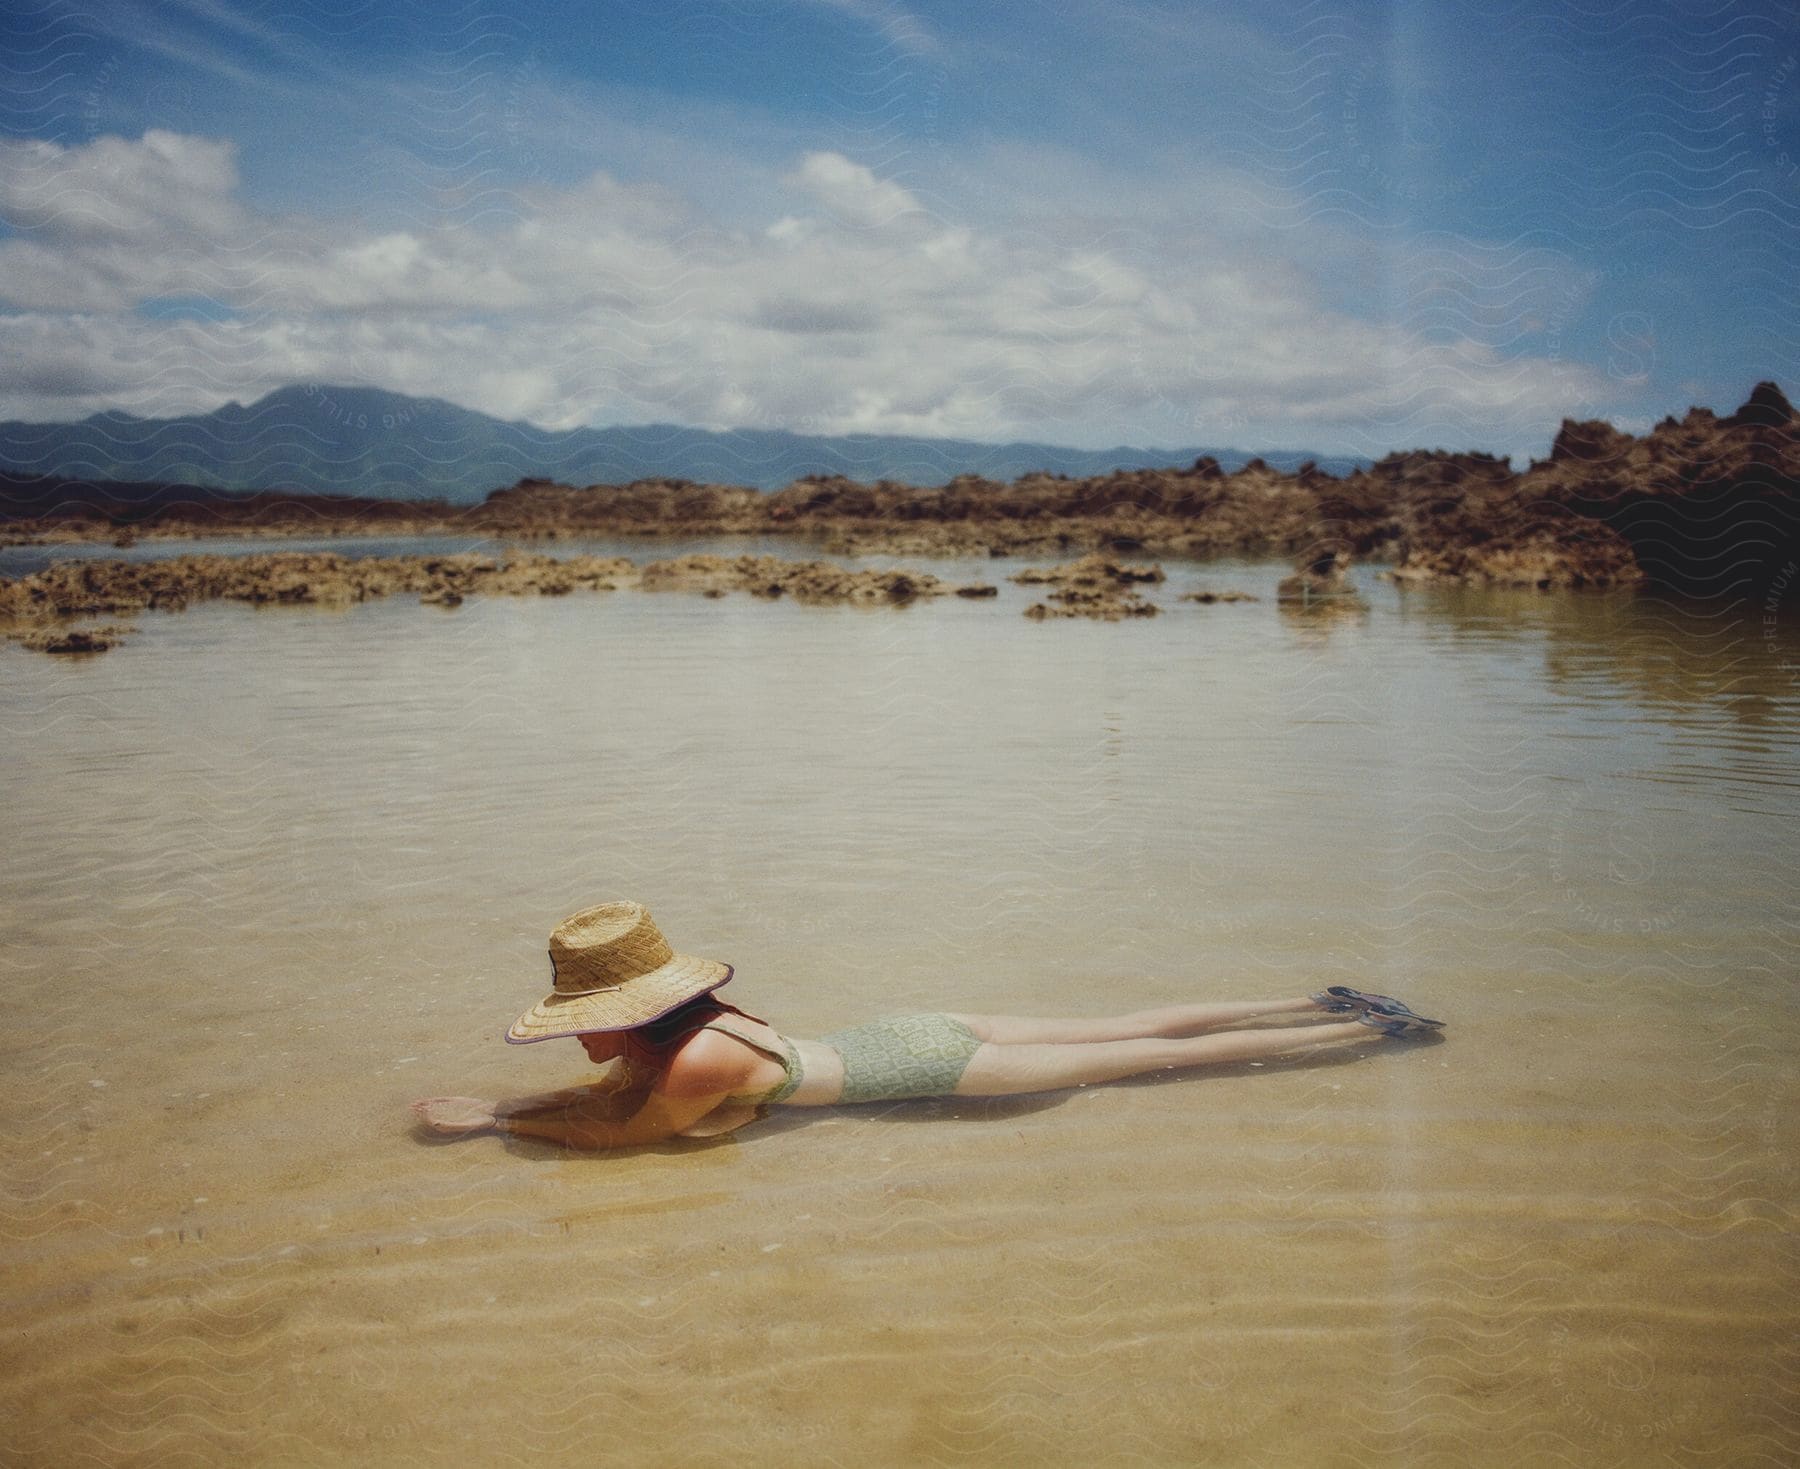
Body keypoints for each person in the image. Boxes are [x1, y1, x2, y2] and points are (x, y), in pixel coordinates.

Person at [411, 901, 1444, 1149]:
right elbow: (615, 1097)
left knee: (1138, 1060)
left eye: (579, 1022)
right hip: (905, 1025)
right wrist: (516, 1102)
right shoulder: (699, 1028)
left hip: (938, 1063)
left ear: (629, 1012)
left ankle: (1349, 1035)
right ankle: (1325, 1001)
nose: (577, 1038)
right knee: (1126, 1024)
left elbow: (636, 1139)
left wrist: (504, 1120)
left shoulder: (701, 1056)